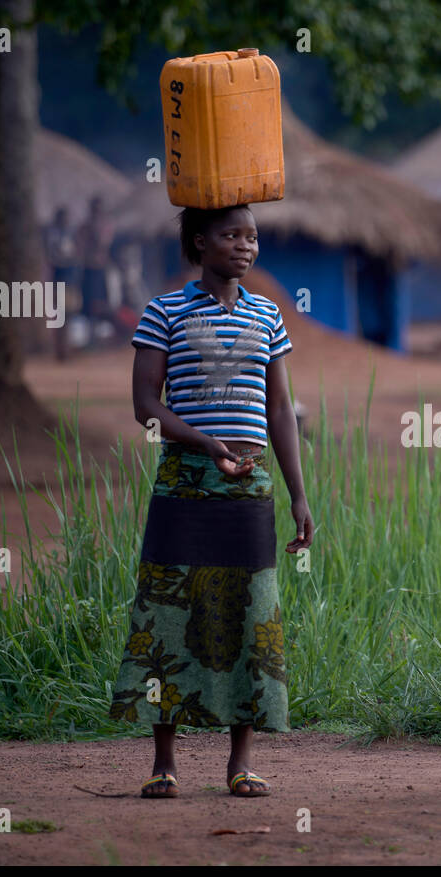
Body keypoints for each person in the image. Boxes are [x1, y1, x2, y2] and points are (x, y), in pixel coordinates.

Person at [109, 202, 314, 799]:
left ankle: (240, 762)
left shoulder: (268, 316)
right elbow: (146, 406)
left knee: (249, 614)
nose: (245, 247)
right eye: (231, 236)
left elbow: (279, 411)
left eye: (252, 237)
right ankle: (164, 763)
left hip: (250, 486)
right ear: (199, 243)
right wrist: (203, 441)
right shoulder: (163, 311)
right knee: (168, 613)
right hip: (184, 481)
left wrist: (299, 494)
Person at [76, 195, 115, 345]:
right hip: (88, 269)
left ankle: (97, 338)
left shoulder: (105, 225)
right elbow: (80, 246)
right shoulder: (85, 227)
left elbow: (103, 242)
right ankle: (90, 338)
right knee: (87, 305)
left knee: (101, 305)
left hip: (100, 269)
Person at [43, 206, 80, 360]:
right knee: (60, 318)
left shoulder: (70, 235)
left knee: (68, 316)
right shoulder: (54, 236)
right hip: (59, 281)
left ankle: (65, 350)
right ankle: (60, 351)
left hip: (69, 281)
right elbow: (54, 258)